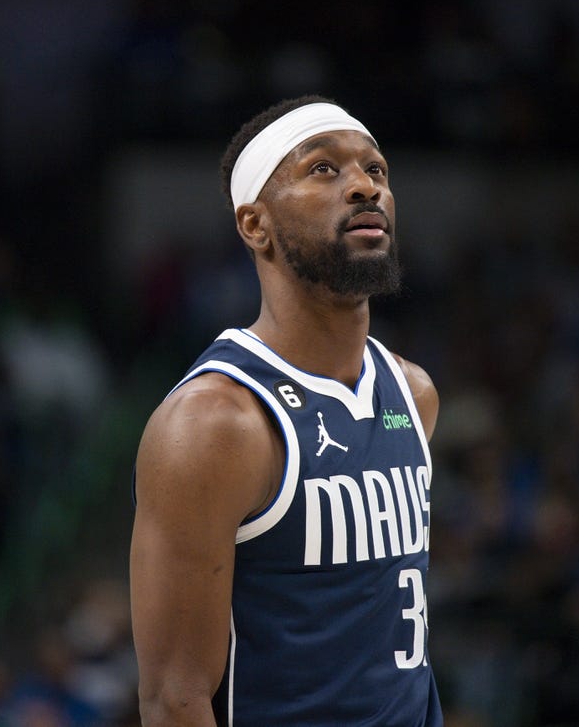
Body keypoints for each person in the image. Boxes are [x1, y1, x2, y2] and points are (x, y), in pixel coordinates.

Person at [129, 95, 443, 726]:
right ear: (255, 224)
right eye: (323, 169)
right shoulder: (215, 424)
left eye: (376, 171)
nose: (364, 187)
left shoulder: (412, 393)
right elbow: (173, 698)